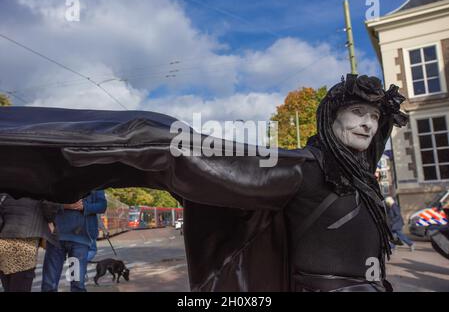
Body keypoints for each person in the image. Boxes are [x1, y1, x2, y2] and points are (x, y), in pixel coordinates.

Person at [0, 74, 408, 292]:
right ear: (331, 116)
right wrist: (136, 141)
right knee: (25, 278)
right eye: (357, 111)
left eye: (374, 117)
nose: (367, 124)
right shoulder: (303, 167)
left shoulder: (361, 178)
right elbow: (202, 161)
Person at [41, 190, 107, 292]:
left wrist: (85, 206)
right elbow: (45, 203)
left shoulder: (95, 182)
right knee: (49, 284)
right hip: (57, 237)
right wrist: (65, 206)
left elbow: (102, 205)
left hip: (80, 239)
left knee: (77, 284)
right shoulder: (57, 178)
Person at [0, 194, 60, 292]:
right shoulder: (38, 187)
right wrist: (50, 220)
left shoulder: (7, 186)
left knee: (9, 287)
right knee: (22, 285)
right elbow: (49, 205)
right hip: (26, 243)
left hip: (4, 243)